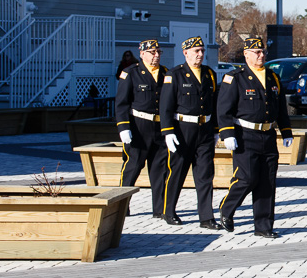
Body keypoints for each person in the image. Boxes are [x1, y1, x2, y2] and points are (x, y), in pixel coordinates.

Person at [216, 38, 293, 238]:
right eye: (257, 52)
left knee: (267, 182)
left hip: (267, 134)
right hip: (245, 135)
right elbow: (223, 109)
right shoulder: (235, 78)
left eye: (263, 52)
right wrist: (227, 133)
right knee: (247, 178)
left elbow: (280, 109)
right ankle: (226, 208)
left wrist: (286, 131)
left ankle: (263, 226)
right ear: (246, 54)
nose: (261, 55)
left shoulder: (272, 78)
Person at [159, 36, 224, 229]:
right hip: (182, 130)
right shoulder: (175, 74)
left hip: (204, 130)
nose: (200, 55)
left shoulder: (209, 73)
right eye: (196, 51)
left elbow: (214, 103)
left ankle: (206, 217)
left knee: (205, 174)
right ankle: (168, 211)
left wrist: (215, 130)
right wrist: (168, 131)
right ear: (185, 53)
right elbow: (166, 106)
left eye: (202, 51)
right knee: (177, 172)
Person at [116, 39, 168, 217]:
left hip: (159, 127)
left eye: (158, 52)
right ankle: (122, 206)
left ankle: (160, 209)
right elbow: (122, 103)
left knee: (160, 169)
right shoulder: (131, 73)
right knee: (133, 167)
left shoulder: (165, 73)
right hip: (138, 126)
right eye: (152, 52)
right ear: (142, 54)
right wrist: (123, 127)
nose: (156, 56)